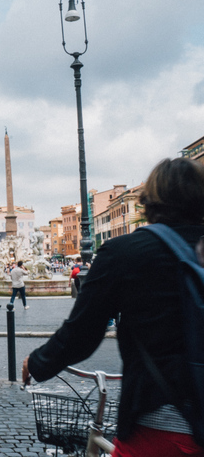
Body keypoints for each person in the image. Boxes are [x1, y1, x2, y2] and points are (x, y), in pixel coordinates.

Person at [22, 158, 204, 456]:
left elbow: (81, 334)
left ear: (148, 202)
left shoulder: (126, 252)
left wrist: (37, 362)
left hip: (163, 425)